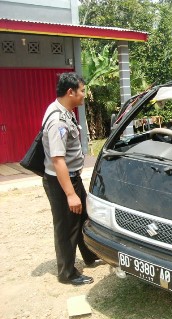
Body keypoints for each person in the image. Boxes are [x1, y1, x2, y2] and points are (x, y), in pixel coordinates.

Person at [42, 72, 100, 286]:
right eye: (82, 90)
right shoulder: (58, 120)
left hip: (71, 177)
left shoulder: (64, 111)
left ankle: (90, 255)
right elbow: (58, 161)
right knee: (66, 226)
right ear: (70, 92)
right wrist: (70, 194)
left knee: (83, 216)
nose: (84, 94)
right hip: (61, 181)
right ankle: (67, 273)